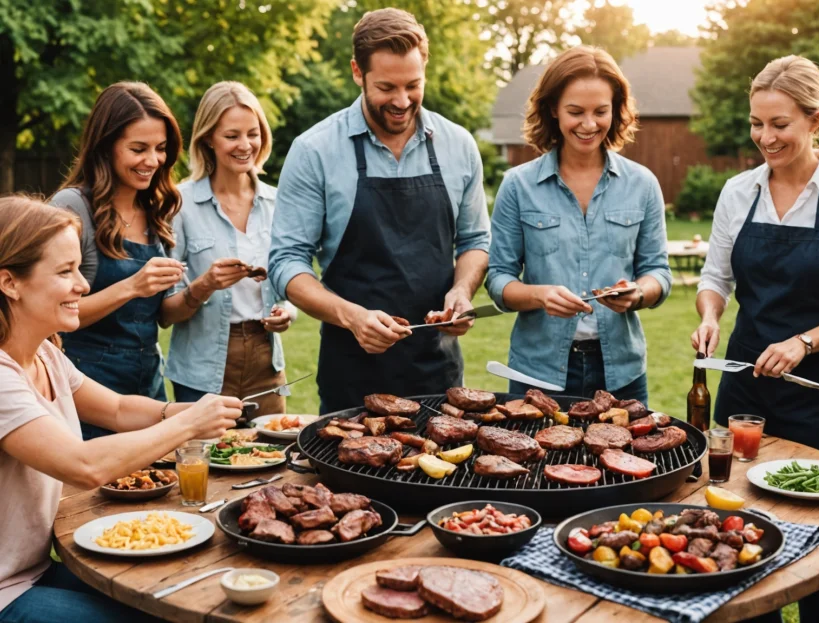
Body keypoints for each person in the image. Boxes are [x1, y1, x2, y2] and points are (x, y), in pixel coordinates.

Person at [691, 56, 819, 622]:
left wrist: (803, 342)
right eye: (757, 124)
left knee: (813, 547)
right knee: (741, 533)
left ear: (815, 119)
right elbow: (715, 279)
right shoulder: (739, 191)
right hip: (744, 392)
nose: (764, 137)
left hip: (817, 391)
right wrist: (710, 315)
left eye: (779, 124)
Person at [0, 196, 242, 623]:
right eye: (64, 271)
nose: (83, 285)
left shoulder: (44, 355)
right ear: (10, 282)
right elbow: (83, 466)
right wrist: (188, 425)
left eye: (78, 268)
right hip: (6, 593)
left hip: (35, 571)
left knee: (178, 599)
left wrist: (187, 409)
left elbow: (116, 409)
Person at [269, 8, 490, 414]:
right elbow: (286, 262)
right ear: (357, 71)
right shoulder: (314, 150)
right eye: (387, 87)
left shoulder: (459, 145)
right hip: (351, 379)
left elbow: (476, 241)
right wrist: (352, 317)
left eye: (413, 85)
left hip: (439, 378)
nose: (402, 102)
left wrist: (462, 292)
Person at [486, 46, 671, 403]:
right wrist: (539, 295)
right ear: (553, 109)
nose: (589, 125)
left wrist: (638, 293)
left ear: (616, 110)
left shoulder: (642, 184)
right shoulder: (518, 185)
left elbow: (658, 272)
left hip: (621, 373)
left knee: (627, 459)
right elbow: (498, 280)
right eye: (576, 112)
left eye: (600, 111)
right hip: (536, 373)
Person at [49, 82, 185, 439]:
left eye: (160, 149)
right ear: (105, 146)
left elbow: (163, 316)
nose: (152, 161)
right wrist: (132, 286)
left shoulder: (157, 207)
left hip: (148, 382)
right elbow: (53, 316)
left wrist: (203, 288)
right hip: (86, 387)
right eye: (138, 149)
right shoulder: (72, 207)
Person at [160, 82, 292, 415]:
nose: (245, 145)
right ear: (208, 139)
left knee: (273, 457)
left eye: (253, 133)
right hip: (202, 370)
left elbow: (290, 282)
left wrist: (286, 312)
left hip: (267, 363)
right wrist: (204, 286)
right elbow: (163, 313)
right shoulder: (179, 204)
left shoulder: (279, 204)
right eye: (232, 136)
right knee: (204, 463)